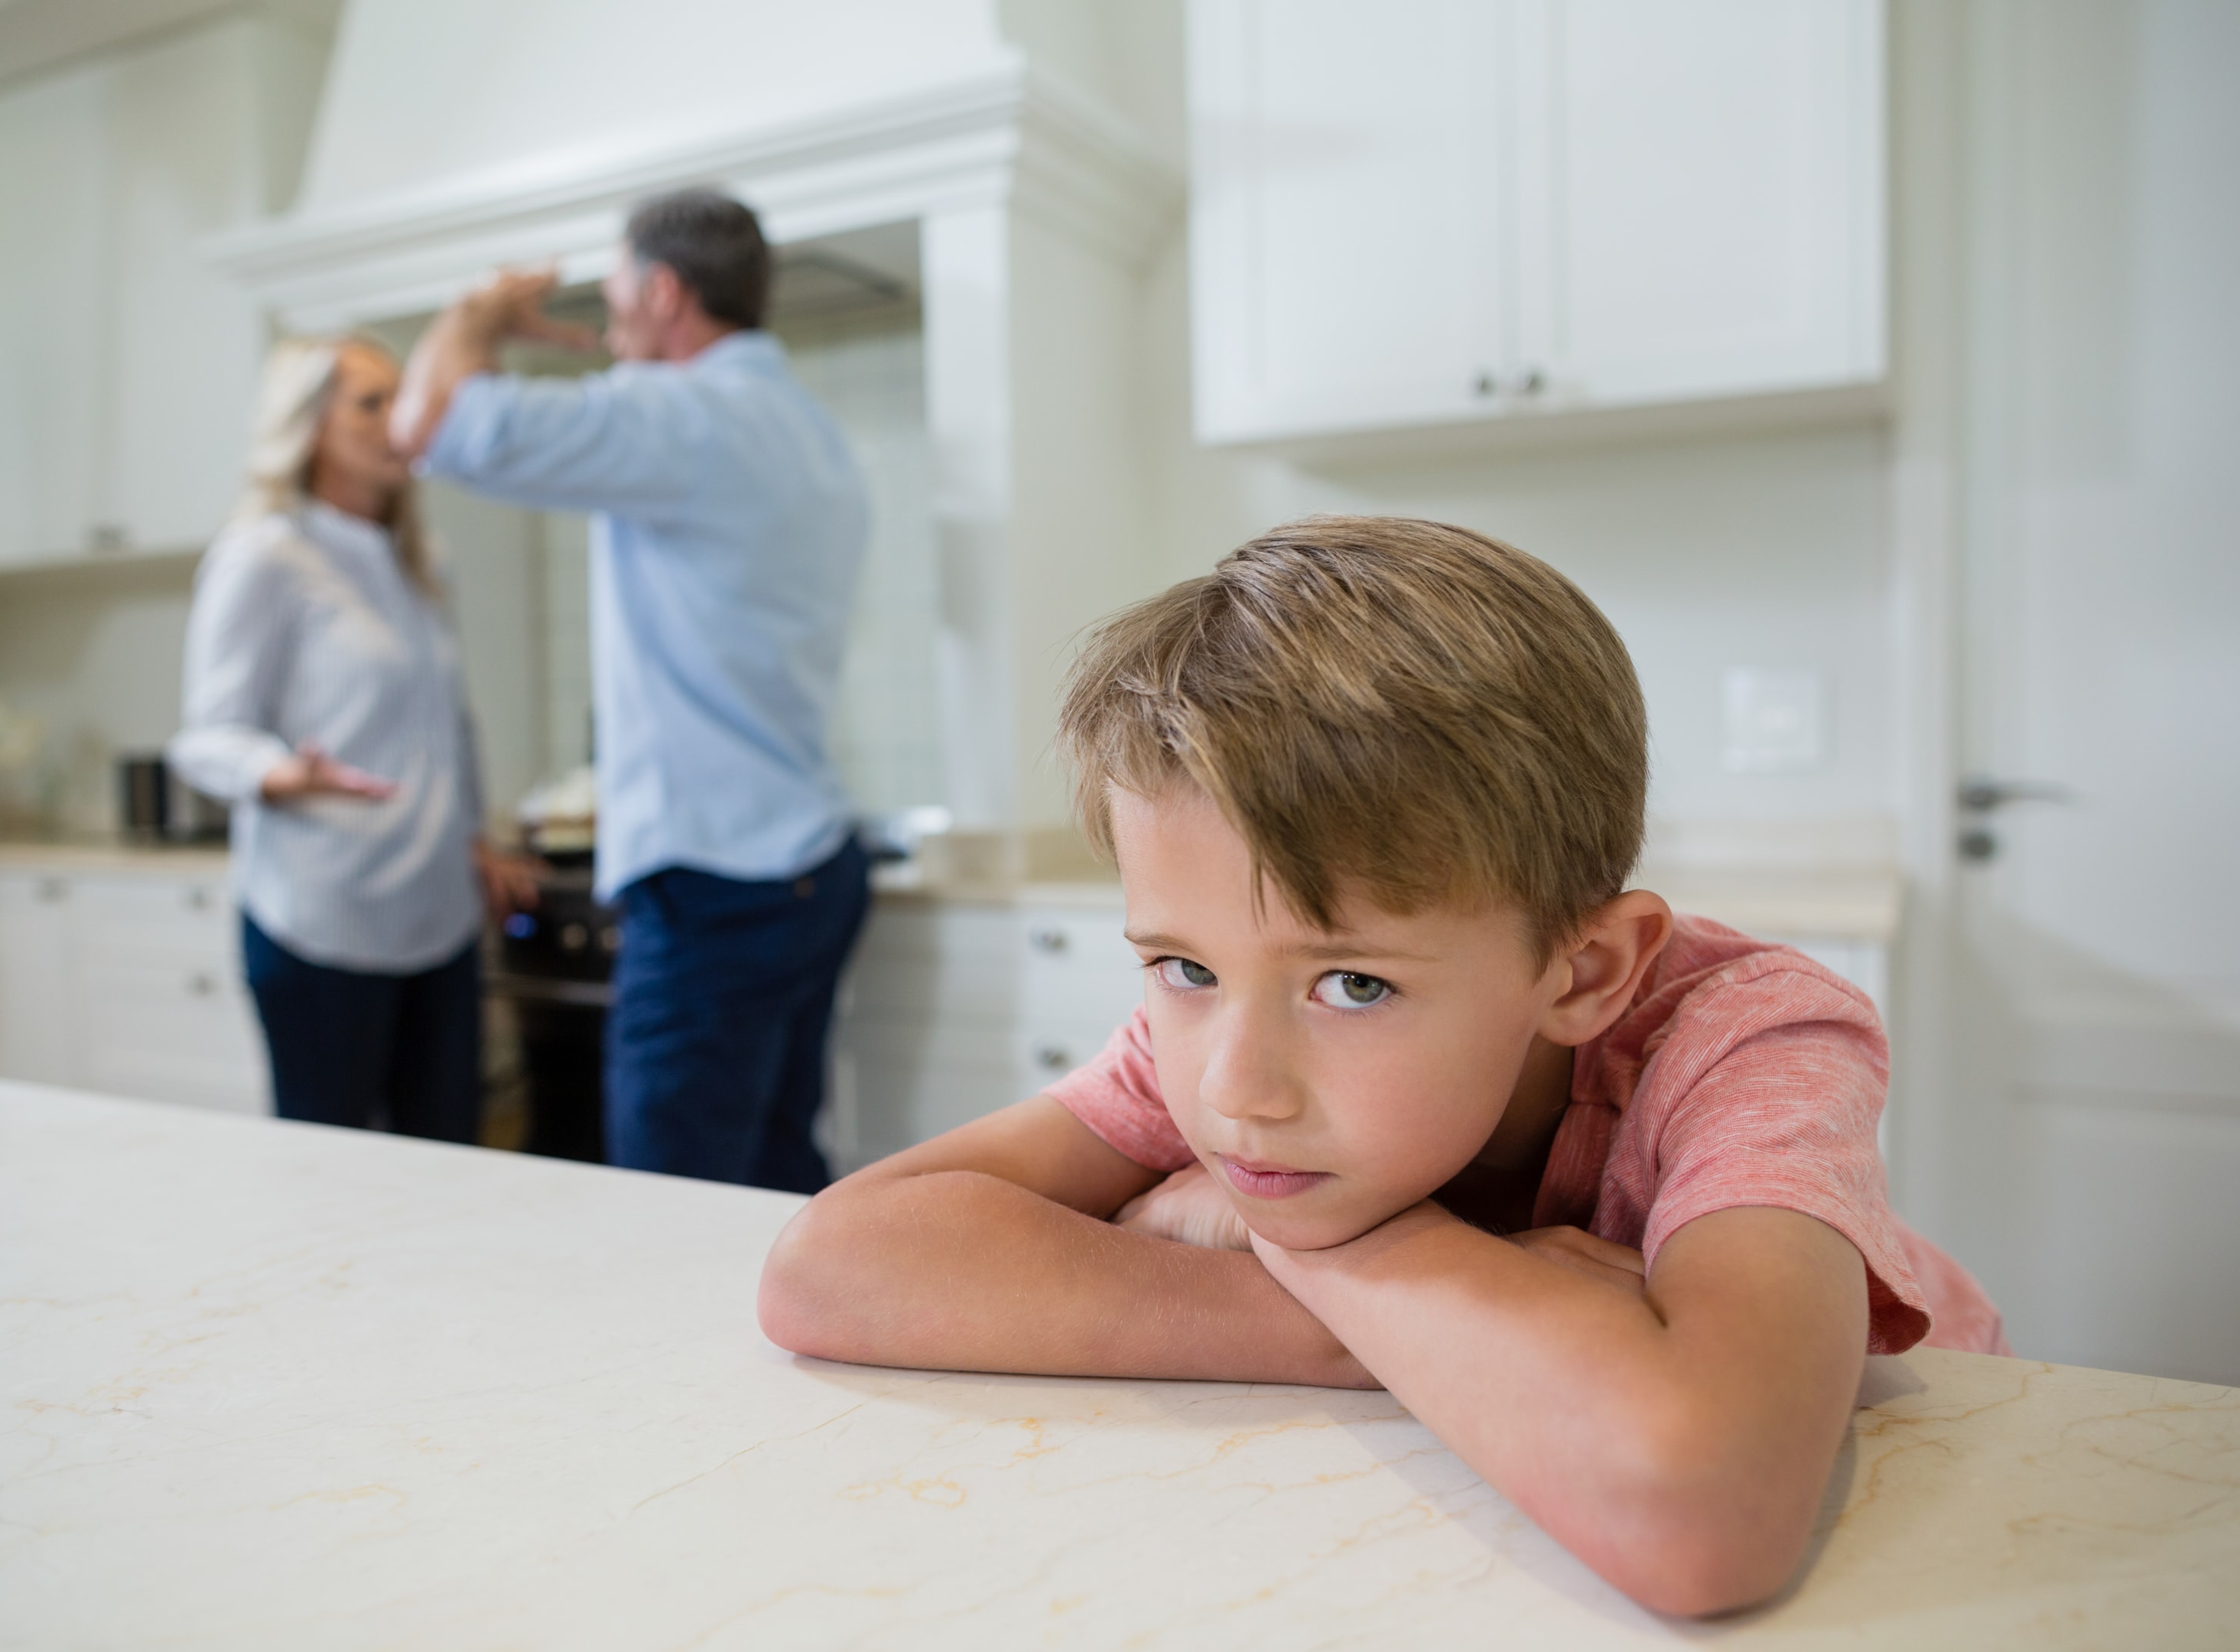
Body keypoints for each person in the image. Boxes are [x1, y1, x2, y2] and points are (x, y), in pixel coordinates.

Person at [756, 517, 2010, 1618]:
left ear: (1582, 975)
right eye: (1180, 967)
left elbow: (1707, 1510)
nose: (1237, 1091)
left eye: (1354, 985)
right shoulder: (1220, 1028)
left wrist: (1314, 1242)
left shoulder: (1747, 1036)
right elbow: (834, 1268)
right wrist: (1417, 1302)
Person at [389, 189, 870, 1193]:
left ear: (662, 291)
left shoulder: (682, 416)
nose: (606, 323)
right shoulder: (812, 432)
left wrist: (478, 316)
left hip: (714, 880)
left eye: (614, 295)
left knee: (665, 1207)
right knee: (779, 1180)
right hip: (812, 861)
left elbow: (428, 423)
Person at [171, 337, 536, 1140]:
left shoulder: (420, 562)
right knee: (330, 1179)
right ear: (308, 427)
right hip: (321, 918)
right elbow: (205, 737)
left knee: (449, 1162)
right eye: (370, 401)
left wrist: (477, 841)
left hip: (436, 916)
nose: (398, 419)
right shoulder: (265, 555)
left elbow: (448, 724)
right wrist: (280, 772)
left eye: (401, 399)